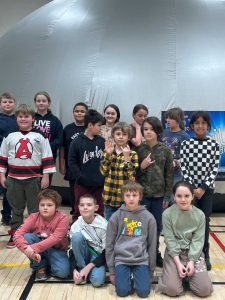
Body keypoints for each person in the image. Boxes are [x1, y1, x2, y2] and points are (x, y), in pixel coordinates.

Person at [0, 104, 56, 248]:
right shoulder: (10, 136)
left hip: (34, 179)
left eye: (27, 116)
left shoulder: (40, 136)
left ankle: (34, 235)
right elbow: (3, 157)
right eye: (20, 116)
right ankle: (16, 235)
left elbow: (47, 157)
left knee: (34, 209)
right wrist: (2, 175)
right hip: (13, 179)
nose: (23, 119)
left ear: (33, 119)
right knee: (16, 209)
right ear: (16, 118)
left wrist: (45, 177)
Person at [180, 111, 220, 270]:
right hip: (190, 190)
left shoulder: (214, 145)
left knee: (204, 221)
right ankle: (188, 252)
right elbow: (184, 166)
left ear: (208, 126)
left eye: (203, 123)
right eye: (197, 123)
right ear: (192, 126)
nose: (200, 126)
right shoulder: (186, 144)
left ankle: (205, 252)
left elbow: (214, 168)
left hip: (207, 190)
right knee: (189, 221)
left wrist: (203, 187)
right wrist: (192, 188)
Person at [158, 181, 213, 297]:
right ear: (174, 197)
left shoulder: (200, 215)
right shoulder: (167, 214)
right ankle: (172, 274)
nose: (183, 200)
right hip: (175, 254)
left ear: (193, 196)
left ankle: (188, 278)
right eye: (179, 196)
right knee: (172, 289)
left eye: (187, 196)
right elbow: (170, 240)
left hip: (194, 254)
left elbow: (198, 241)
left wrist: (192, 261)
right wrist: (178, 264)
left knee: (205, 290)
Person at [106, 181, 157, 298]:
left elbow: (152, 244)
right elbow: (109, 244)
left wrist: (151, 269)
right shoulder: (116, 217)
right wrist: (112, 271)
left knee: (144, 293)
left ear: (140, 197)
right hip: (121, 260)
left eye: (134, 195)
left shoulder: (149, 217)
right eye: (127, 195)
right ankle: (127, 278)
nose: (131, 198)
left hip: (141, 259)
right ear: (123, 197)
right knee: (122, 292)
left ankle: (136, 278)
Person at [136, 116, 174, 267]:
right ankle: (141, 253)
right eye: (145, 129)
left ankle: (155, 252)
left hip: (159, 196)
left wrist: (167, 194)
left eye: (152, 129)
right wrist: (142, 166)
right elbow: (132, 174)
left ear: (158, 131)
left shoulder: (165, 151)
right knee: (141, 225)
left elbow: (169, 174)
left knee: (157, 226)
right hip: (142, 196)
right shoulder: (138, 150)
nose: (148, 132)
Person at [13, 189, 70, 281]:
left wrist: (33, 248)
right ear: (38, 205)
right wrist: (28, 250)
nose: (45, 208)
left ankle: (48, 262)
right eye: (42, 205)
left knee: (62, 273)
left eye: (49, 205)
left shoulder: (62, 218)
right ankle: (40, 267)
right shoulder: (33, 217)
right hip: (38, 251)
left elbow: (55, 238)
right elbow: (17, 235)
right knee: (27, 237)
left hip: (56, 249)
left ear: (56, 207)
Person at [68, 109, 105, 222]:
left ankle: (98, 233)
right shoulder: (77, 141)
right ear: (90, 125)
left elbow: (106, 161)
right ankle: (75, 233)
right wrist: (80, 176)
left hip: (99, 184)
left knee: (98, 209)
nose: (100, 128)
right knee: (80, 209)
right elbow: (72, 162)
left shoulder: (102, 141)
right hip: (82, 184)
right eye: (99, 125)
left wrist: (102, 177)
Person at [100, 122, 138, 220]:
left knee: (124, 227)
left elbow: (131, 178)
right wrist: (108, 155)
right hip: (109, 197)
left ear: (129, 137)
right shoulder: (108, 151)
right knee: (110, 225)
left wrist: (126, 159)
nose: (121, 137)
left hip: (124, 199)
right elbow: (103, 172)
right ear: (113, 136)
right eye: (118, 134)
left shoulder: (132, 154)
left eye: (124, 134)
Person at [70, 194, 107, 287]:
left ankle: (86, 271)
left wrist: (89, 267)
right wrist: (73, 269)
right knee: (76, 237)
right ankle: (80, 270)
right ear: (78, 207)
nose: (85, 207)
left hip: (97, 256)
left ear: (96, 207)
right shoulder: (75, 225)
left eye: (89, 205)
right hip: (83, 255)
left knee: (97, 282)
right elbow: (71, 250)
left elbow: (107, 252)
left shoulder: (104, 225)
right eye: (82, 205)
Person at [59, 102, 88, 214]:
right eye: (77, 111)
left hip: (87, 166)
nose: (79, 113)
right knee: (74, 191)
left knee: (86, 192)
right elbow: (62, 148)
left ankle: (85, 214)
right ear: (73, 113)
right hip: (72, 166)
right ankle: (75, 212)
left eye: (82, 111)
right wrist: (61, 164)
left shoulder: (90, 127)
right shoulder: (68, 128)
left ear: (86, 113)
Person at [33, 91, 63, 183]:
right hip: (32, 158)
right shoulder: (30, 118)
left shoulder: (55, 120)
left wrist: (46, 147)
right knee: (32, 186)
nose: (41, 103)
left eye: (43, 100)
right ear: (35, 103)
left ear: (48, 103)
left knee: (45, 186)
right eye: (38, 101)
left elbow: (59, 139)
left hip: (49, 159)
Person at [0, 92, 18, 225]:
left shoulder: (18, 119)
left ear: (14, 104)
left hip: (11, 160)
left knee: (8, 188)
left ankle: (7, 215)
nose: (7, 104)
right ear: (1, 104)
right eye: (5, 102)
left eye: (10, 101)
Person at [161, 107, 189, 184]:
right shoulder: (163, 132)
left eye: (171, 118)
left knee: (174, 195)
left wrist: (178, 162)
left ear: (178, 119)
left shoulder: (185, 136)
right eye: (167, 117)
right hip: (162, 172)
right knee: (165, 195)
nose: (167, 120)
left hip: (176, 174)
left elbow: (188, 156)